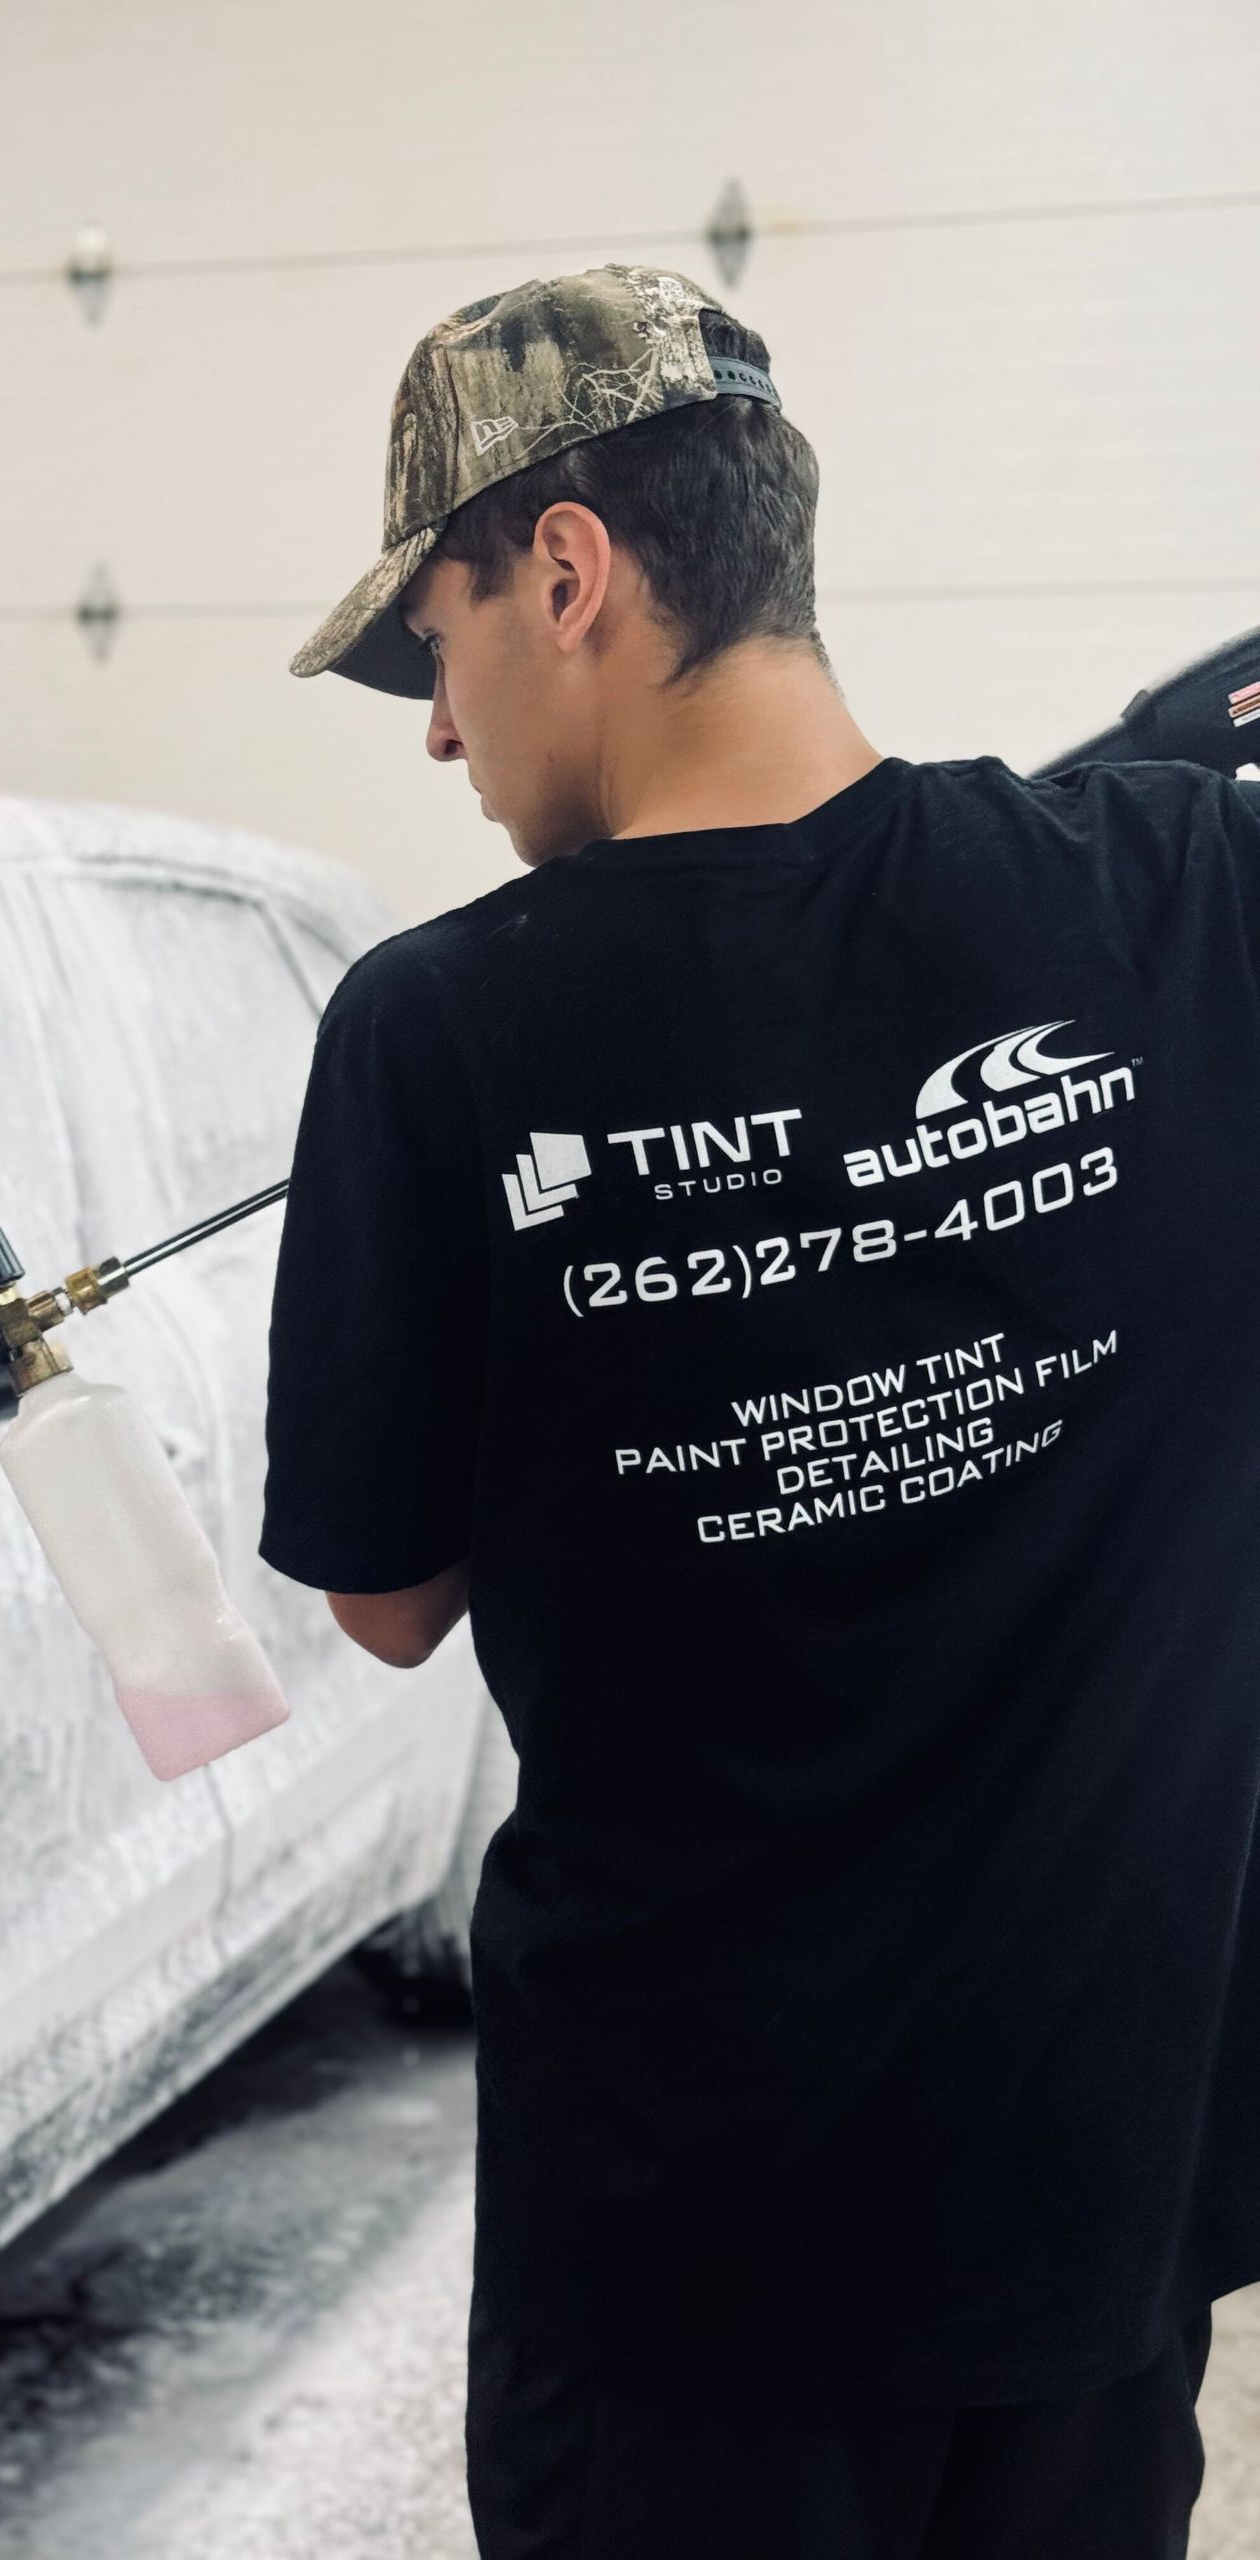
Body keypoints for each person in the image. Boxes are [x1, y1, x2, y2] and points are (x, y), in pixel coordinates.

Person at [253, 259, 1260, 2557]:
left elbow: (388, 1597)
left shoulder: (439, 1033)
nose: (435, 726)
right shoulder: (1191, 897)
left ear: (572, 570)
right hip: (1101, 2204)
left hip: (699, 2264)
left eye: (436, 639)